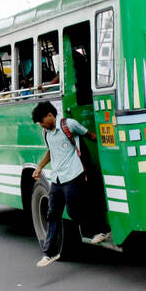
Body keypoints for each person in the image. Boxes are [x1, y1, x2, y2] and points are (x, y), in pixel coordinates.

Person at [31, 101, 106, 267]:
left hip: (74, 174)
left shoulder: (69, 125)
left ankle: (99, 231)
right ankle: (49, 253)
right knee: (52, 214)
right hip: (57, 179)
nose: (41, 125)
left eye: (42, 121)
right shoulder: (46, 133)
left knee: (74, 211)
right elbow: (51, 151)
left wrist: (108, 150)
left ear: (50, 116)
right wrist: (40, 167)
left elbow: (90, 136)